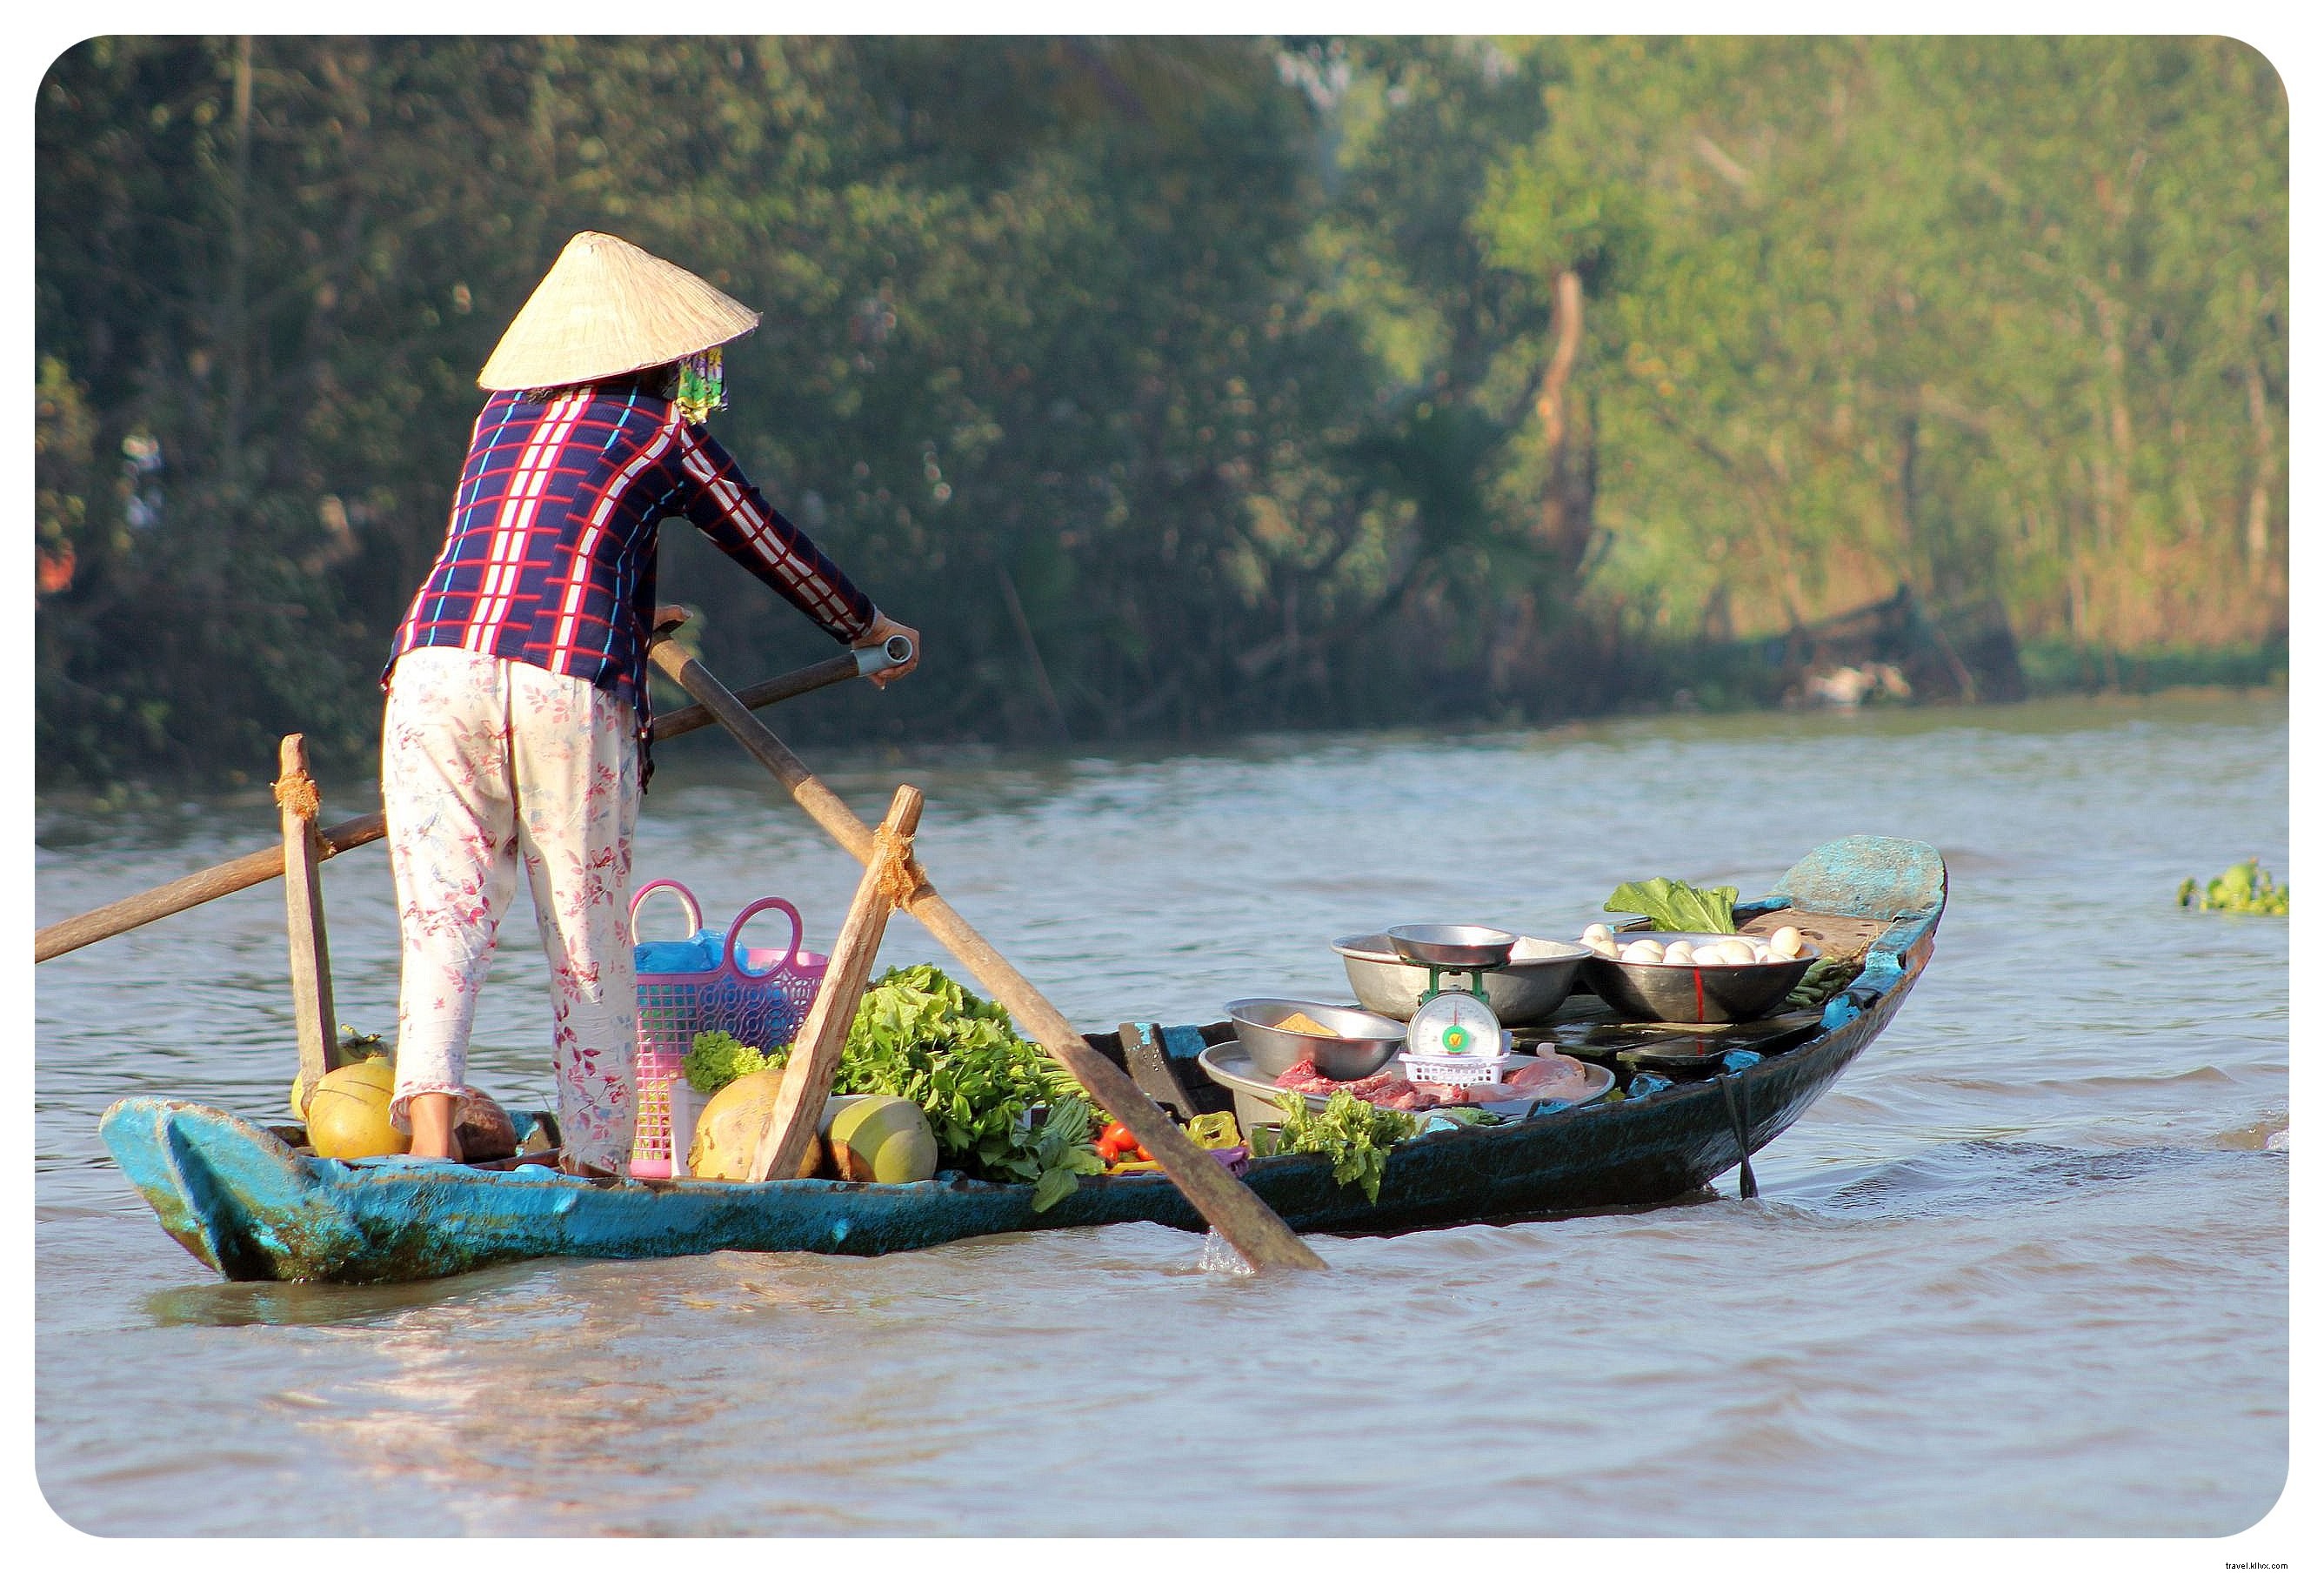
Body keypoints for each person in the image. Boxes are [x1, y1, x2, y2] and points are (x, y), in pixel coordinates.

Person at [377, 231, 918, 1174]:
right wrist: (866, 626)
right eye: (688, 364)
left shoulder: (499, 418)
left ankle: (428, 1149)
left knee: (441, 921)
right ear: (656, 358)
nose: (696, 377)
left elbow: (541, 544)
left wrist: (626, 615)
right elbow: (764, 539)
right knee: (586, 938)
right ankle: (596, 1166)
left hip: (432, 673)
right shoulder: (664, 433)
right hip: (560, 683)